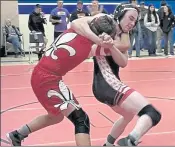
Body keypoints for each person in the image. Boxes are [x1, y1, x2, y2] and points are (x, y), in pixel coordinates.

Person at [6, 14, 117, 146]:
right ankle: (17, 135)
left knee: (56, 116)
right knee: (81, 119)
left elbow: (81, 21)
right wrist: (108, 42)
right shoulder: (86, 48)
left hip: (42, 74)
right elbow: (119, 51)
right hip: (47, 80)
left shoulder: (75, 28)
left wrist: (101, 39)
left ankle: (17, 134)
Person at [91, 4, 161, 146]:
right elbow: (93, 48)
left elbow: (123, 62)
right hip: (108, 83)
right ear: (119, 17)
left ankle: (108, 144)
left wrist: (112, 45)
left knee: (127, 115)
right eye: (130, 18)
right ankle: (130, 141)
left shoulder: (122, 35)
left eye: (135, 21)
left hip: (105, 84)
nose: (132, 23)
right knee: (152, 113)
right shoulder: (105, 26)